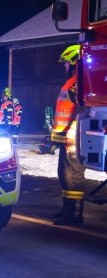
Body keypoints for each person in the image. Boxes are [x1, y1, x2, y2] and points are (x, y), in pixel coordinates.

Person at [51, 44, 86, 225]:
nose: (64, 66)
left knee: (73, 175)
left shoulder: (80, 82)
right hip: (66, 138)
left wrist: (72, 136)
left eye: (66, 62)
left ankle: (74, 215)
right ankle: (67, 210)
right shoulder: (73, 81)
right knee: (65, 174)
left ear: (74, 61)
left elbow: (81, 111)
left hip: (74, 139)